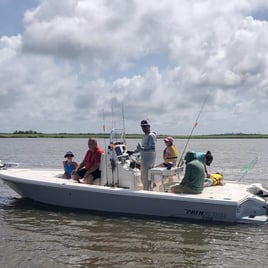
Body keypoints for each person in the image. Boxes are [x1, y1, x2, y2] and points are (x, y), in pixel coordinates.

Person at [131, 120, 157, 190]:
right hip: (144, 161)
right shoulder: (145, 136)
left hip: (148, 162)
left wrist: (142, 149)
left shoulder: (151, 136)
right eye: (142, 126)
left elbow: (152, 149)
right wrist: (132, 152)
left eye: (145, 126)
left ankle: (147, 194)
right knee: (144, 179)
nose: (144, 128)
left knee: (145, 179)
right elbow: (142, 148)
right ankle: (148, 192)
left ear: (149, 126)